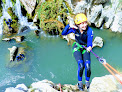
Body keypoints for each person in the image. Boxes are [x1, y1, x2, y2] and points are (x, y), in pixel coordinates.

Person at [62, 13, 93, 91]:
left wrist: (89, 46)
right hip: (77, 47)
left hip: (85, 48)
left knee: (88, 66)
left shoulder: (89, 30)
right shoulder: (74, 29)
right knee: (81, 65)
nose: (84, 25)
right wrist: (69, 26)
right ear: (77, 25)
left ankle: (87, 82)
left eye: (85, 23)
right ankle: (79, 82)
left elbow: (90, 41)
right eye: (82, 24)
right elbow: (63, 33)